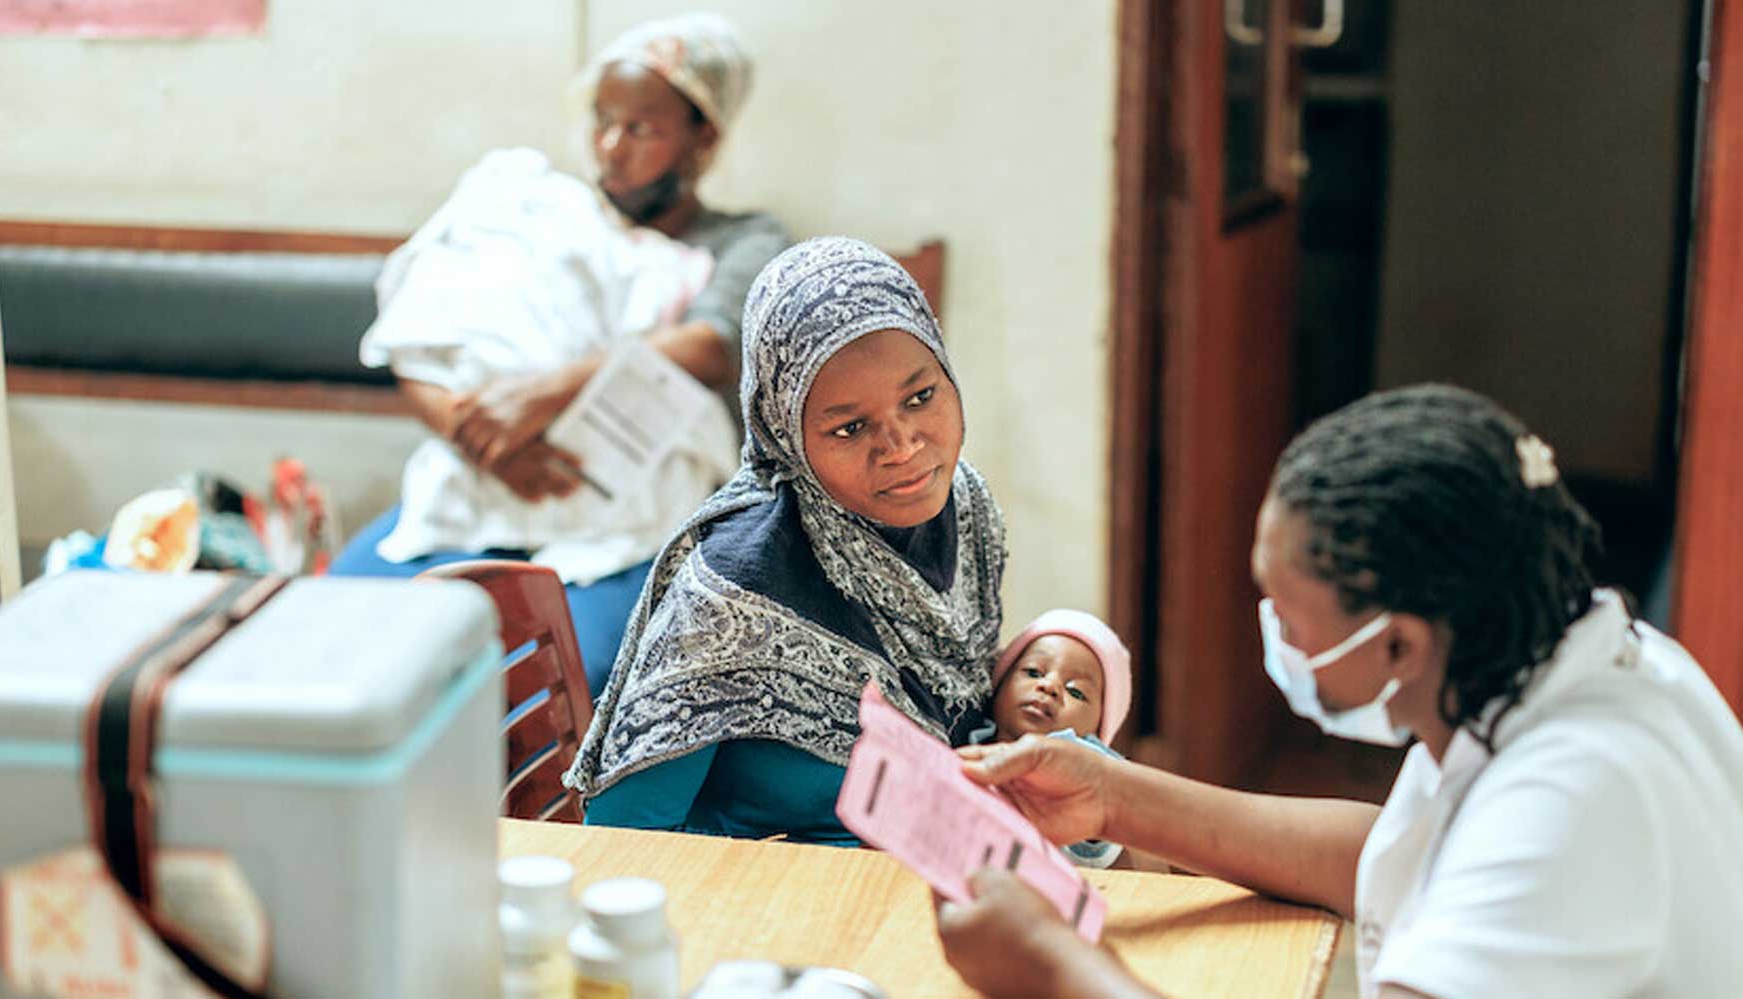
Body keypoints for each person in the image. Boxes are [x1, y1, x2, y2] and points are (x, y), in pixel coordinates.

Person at [934, 384, 1743, 999]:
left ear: (1397, 642)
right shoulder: (1581, 662)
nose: (1274, 635)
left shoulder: (1572, 801)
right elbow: (1394, 854)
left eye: (1287, 613)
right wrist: (1111, 795)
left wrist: (1056, 965)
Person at [331, 12, 790, 695]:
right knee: (340, 618)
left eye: (640, 128)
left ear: (703, 137)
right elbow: (428, 331)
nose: (609, 146)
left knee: (563, 681)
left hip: (623, 513)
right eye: (602, 120)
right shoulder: (536, 218)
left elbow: (707, 345)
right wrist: (480, 432)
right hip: (489, 476)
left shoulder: (742, 240)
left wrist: (540, 395)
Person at [565, 237, 1005, 844]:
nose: (903, 447)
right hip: (782, 906)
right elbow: (624, 840)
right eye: (850, 428)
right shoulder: (735, 593)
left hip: (940, 868)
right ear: (784, 435)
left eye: (920, 397)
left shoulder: (963, 504)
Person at [974, 609, 1132, 867]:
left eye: (1076, 692)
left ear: (1098, 731)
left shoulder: (1093, 773)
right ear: (1000, 683)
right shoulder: (966, 742)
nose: (1049, 686)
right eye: (1033, 672)